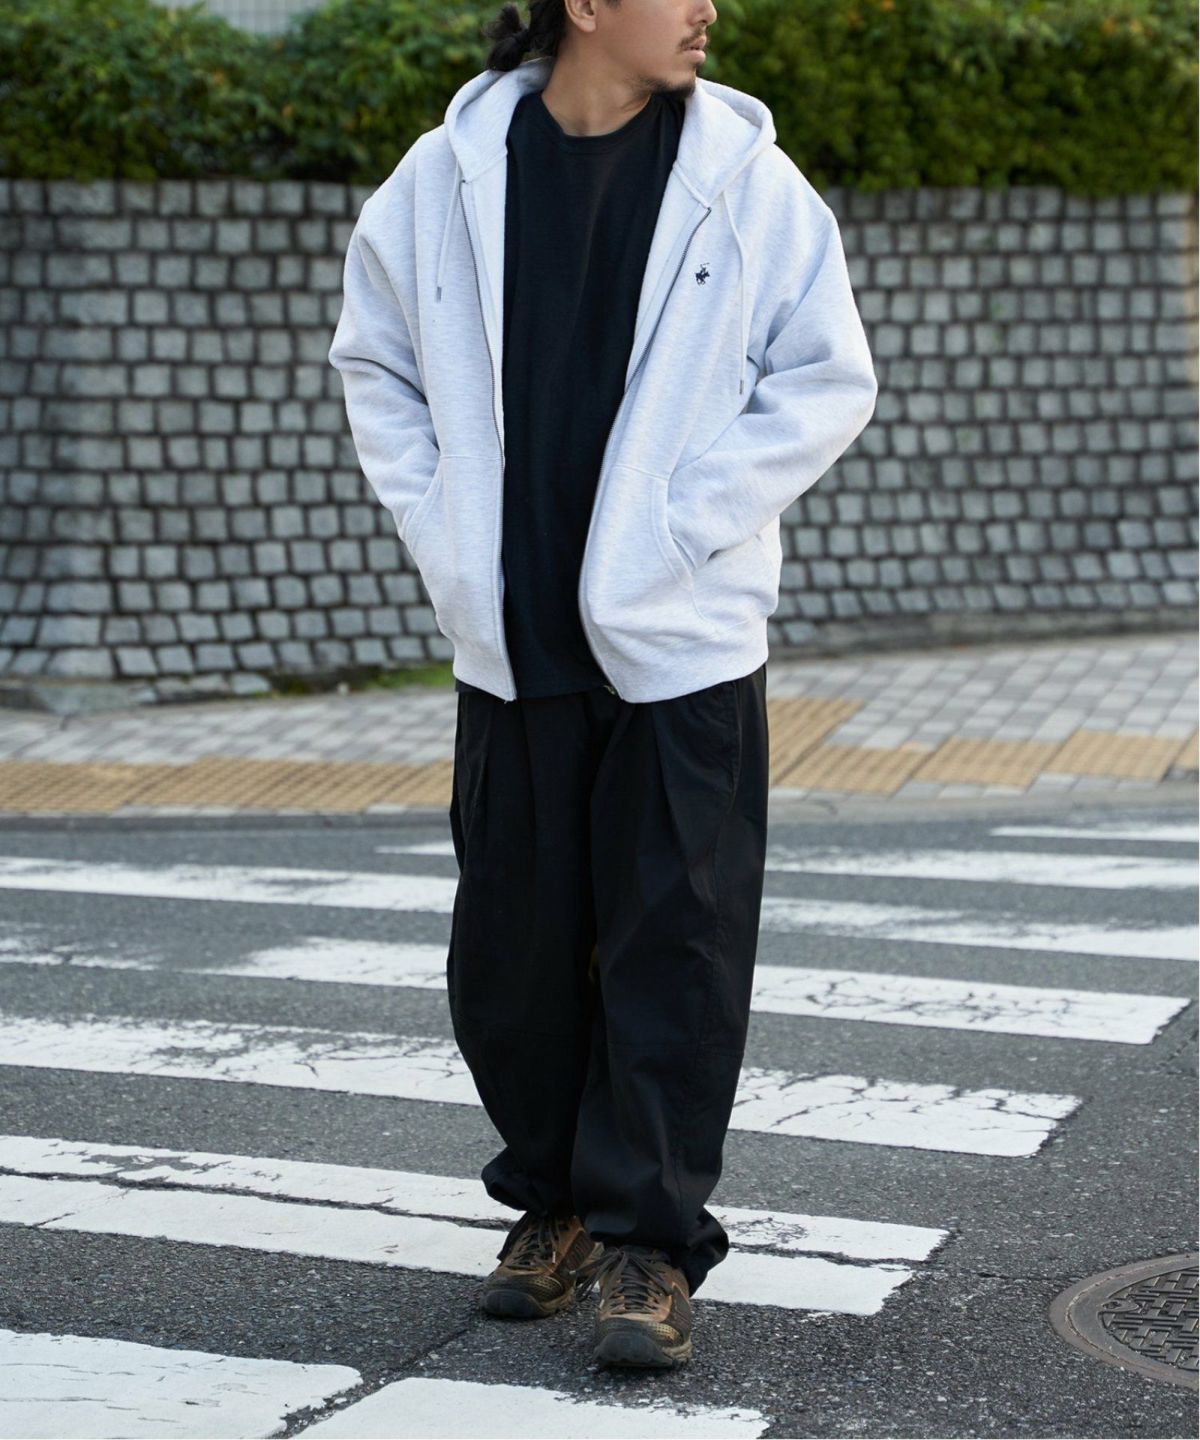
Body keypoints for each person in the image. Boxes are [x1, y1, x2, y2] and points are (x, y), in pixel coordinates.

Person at [328, 0, 877, 1371]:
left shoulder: (747, 180)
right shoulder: (446, 175)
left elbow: (826, 378)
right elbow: (374, 361)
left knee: (672, 950)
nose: (706, 9)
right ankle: (557, 1201)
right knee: (510, 963)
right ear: (582, 3)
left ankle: (652, 1246)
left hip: (682, 642)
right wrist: (441, 524)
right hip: (512, 640)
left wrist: (684, 523)